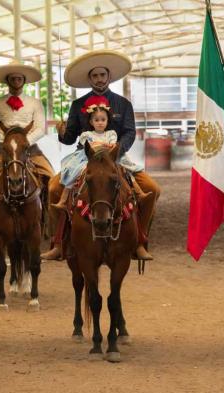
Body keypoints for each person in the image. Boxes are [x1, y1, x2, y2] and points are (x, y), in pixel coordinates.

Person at [48, 50, 158, 261]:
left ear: (109, 76)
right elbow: (70, 138)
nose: (99, 79)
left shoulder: (123, 104)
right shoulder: (77, 105)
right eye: (94, 76)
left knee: (153, 189)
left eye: (102, 75)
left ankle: (140, 241)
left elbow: (130, 132)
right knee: (53, 188)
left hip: (116, 158)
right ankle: (59, 242)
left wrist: (116, 150)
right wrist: (62, 133)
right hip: (85, 160)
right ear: (89, 78)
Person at [0, 62, 53, 237]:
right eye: (13, 78)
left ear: (24, 81)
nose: (16, 81)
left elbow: (40, 129)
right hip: (3, 149)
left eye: (19, 78)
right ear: (7, 81)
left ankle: (48, 221)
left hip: (30, 149)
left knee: (51, 179)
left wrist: (23, 142)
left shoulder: (35, 103)